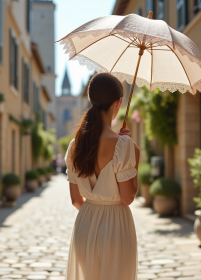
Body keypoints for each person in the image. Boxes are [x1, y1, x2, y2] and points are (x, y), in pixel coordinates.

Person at [64, 73, 140, 280]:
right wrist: (135, 157)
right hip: (117, 228)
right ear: (118, 103)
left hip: (85, 225)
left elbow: (75, 200)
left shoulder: (74, 146)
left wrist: (96, 209)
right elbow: (128, 197)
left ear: (91, 100)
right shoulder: (124, 146)